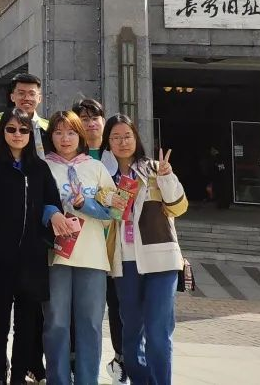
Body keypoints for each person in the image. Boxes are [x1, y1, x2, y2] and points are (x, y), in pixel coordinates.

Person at [0, 109, 72, 385]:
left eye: (23, 130)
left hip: (31, 257)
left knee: (27, 322)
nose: (17, 135)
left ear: (31, 134)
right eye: (11, 129)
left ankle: (19, 375)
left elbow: (51, 201)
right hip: (0, 255)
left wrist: (51, 220)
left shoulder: (38, 167)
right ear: (2, 132)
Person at [104, 114, 188, 385]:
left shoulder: (154, 169)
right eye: (116, 137)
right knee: (130, 336)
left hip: (160, 260)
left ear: (136, 138)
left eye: (127, 136)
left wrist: (166, 177)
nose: (122, 142)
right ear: (108, 142)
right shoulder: (103, 175)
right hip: (125, 263)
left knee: (157, 333)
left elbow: (178, 207)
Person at [42, 111, 116, 385]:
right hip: (56, 257)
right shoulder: (43, 166)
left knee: (91, 325)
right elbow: (32, 203)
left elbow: (114, 211)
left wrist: (85, 205)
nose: (65, 138)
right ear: (51, 136)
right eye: (58, 132)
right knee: (56, 323)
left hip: (92, 256)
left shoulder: (96, 168)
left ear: (80, 135)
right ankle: (58, 380)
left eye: (71, 132)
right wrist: (51, 213)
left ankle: (87, 380)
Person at [75, 98, 125, 385]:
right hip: (82, 248)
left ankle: (121, 360)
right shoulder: (71, 154)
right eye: (83, 118)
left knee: (118, 308)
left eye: (95, 117)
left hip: (115, 246)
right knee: (82, 314)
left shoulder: (116, 155)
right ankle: (77, 366)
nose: (90, 123)